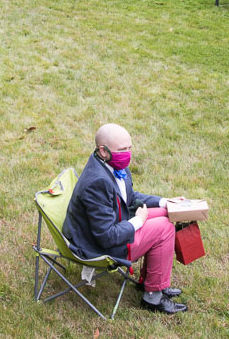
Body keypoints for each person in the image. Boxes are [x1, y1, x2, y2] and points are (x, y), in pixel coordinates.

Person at [63, 123, 188, 315]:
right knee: (163, 227)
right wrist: (137, 221)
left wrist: (164, 202)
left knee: (168, 215)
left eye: (129, 148)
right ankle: (153, 296)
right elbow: (106, 236)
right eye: (122, 150)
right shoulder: (96, 182)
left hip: (116, 222)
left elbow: (128, 197)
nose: (128, 154)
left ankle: (153, 282)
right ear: (103, 151)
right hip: (99, 246)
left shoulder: (114, 165)